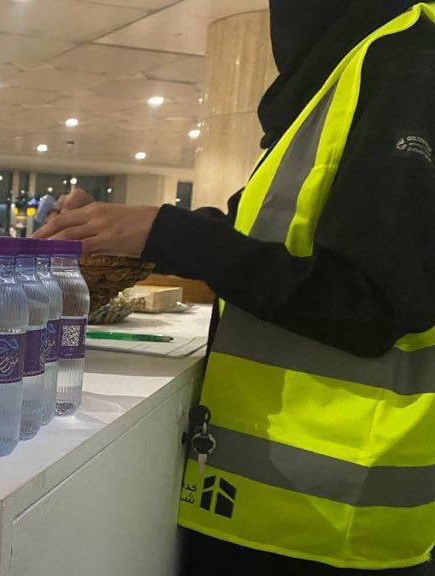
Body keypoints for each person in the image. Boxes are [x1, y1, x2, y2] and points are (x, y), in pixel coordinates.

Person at [36, 2, 435, 574]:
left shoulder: (406, 59)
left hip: (330, 522)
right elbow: (263, 238)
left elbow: (371, 303)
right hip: (266, 498)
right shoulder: (348, 69)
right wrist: (140, 230)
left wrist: (168, 232)